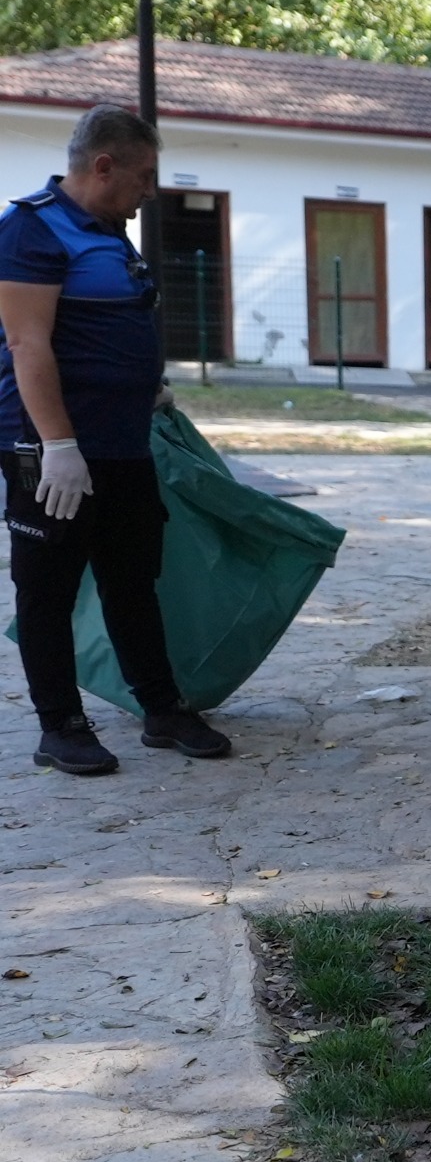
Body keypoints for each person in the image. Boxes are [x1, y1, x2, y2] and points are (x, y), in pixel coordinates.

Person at [1, 105, 231, 776]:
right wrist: (57, 446)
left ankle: (162, 708)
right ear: (103, 166)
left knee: (133, 580)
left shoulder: (110, 233)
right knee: (47, 586)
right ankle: (61, 726)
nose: (151, 191)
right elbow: (27, 344)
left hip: (124, 443)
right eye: (144, 176)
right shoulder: (31, 228)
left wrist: (147, 386)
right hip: (50, 449)